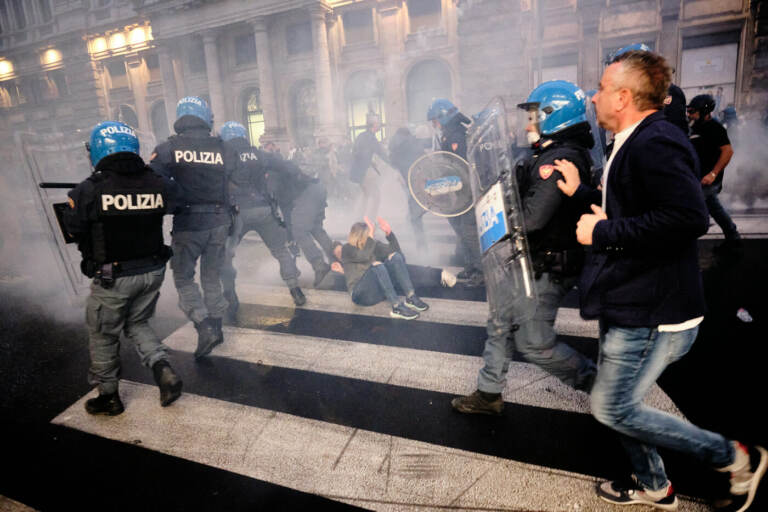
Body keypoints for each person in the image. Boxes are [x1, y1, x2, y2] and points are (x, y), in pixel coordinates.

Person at [560, 49, 766, 511]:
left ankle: (736, 459)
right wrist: (585, 194)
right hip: (630, 299)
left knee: (612, 407)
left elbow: (687, 217)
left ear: (625, 97)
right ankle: (656, 485)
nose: (593, 98)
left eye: (600, 88)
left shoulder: (657, 140)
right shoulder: (632, 139)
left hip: (652, 312)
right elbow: (636, 204)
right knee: (617, 403)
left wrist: (602, 231)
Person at [450, 80, 598, 416]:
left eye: (532, 116)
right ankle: (488, 394)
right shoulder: (546, 153)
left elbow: (531, 218)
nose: (526, 124)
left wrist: (495, 208)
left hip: (545, 267)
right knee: (500, 322)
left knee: (533, 342)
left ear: (553, 115)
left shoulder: (558, 160)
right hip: (525, 261)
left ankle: (599, 384)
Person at [64, 121, 182, 415]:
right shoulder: (158, 182)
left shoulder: (89, 189)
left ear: (100, 149)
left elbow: (74, 229)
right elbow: (174, 203)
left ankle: (109, 397)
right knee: (138, 322)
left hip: (113, 277)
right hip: (153, 271)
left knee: (103, 334)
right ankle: (163, 369)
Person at [149, 96, 235, 359]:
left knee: (184, 277)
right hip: (220, 221)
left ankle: (203, 324)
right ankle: (217, 326)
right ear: (204, 118)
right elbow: (234, 180)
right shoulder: (223, 147)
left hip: (188, 223)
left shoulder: (167, 149)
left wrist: (176, 200)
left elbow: (153, 180)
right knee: (211, 275)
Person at [218, 121, 306, 315]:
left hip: (237, 212)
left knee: (225, 254)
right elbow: (286, 167)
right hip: (264, 209)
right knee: (280, 251)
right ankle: (295, 289)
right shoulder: (259, 154)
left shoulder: (223, 156)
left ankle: (230, 296)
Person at [427, 98, 483, 284]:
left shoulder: (456, 135)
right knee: (460, 229)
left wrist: (443, 184)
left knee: (468, 230)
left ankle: (482, 271)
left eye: (434, 120)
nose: (434, 124)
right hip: (459, 190)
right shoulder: (450, 133)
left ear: (442, 118)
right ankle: (471, 267)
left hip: (467, 190)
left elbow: (458, 167)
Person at [267, 143, 334, 288]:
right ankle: (337, 260)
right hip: (318, 188)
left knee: (299, 230)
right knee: (315, 228)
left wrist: (291, 236)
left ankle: (319, 265)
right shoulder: (278, 166)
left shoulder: (271, 177)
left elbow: (285, 208)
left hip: (307, 193)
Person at [337, 217, 429, 320]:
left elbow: (398, 254)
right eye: (369, 233)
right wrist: (370, 238)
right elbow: (363, 256)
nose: (372, 235)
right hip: (360, 295)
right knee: (377, 265)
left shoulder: (373, 245)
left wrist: (389, 234)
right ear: (360, 236)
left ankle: (410, 296)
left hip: (377, 293)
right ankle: (397, 307)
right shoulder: (347, 249)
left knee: (396, 257)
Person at [687, 94, 742, 251]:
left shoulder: (714, 128)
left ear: (704, 112)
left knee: (694, 209)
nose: (689, 114)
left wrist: (713, 174)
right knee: (714, 208)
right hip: (698, 178)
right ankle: (733, 237)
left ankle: (685, 248)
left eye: (693, 111)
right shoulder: (695, 127)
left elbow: (728, 151)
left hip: (708, 179)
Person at [388, 127, 428, 240]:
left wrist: (399, 173)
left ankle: (415, 233)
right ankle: (421, 244)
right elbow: (423, 157)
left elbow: (392, 161)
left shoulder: (394, 144)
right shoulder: (412, 142)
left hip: (406, 179)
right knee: (415, 209)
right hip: (416, 178)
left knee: (412, 205)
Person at [349, 113, 387, 219]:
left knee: (366, 195)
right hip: (364, 171)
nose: (380, 125)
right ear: (374, 125)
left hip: (359, 172)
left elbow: (357, 152)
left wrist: (369, 161)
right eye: (378, 123)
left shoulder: (362, 135)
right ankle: (370, 220)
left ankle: (359, 218)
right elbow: (381, 153)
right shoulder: (370, 138)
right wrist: (394, 164)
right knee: (375, 196)